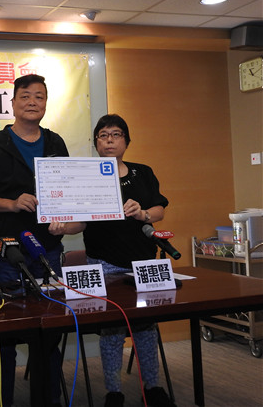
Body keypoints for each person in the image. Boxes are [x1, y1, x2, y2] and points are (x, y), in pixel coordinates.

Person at [0, 74, 83, 407]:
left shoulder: (55, 143)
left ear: (46, 103)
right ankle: (0, 401)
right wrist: (12, 203)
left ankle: (48, 399)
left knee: (49, 331)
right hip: (6, 255)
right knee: (5, 335)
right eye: (25, 96)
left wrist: (65, 220)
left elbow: (66, 190)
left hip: (48, 251)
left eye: (39, 96)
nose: (32, 102)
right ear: (12, 103)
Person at [78, 113, 176, 407]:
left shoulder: (143, 172)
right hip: (104, 262)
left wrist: (143, 213)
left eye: (116, 134)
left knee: (146, 329)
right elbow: (79, 221)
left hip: (144, 262)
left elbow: (159, 210)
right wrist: (59, 225)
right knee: (111, 332)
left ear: (126, 140)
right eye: (103, 135)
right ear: (96, 142)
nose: (109, 140)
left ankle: (153, 387)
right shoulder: (85, 176)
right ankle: (114, 391)